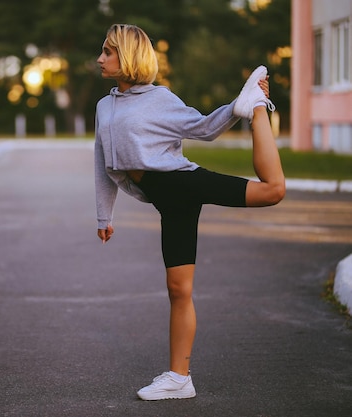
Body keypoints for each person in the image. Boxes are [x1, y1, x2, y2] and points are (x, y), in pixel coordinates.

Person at [94, 24, 285, 401]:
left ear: (129, 56)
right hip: (167, 201)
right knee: (178, 289)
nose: (100, 58)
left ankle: (258, 109)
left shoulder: (160, 99)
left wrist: (239, 109)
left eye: (108, 52)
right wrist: (104, 215)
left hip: (183, 183)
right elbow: (101, 161)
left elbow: (202, 128)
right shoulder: (105, 105)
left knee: (273, 191)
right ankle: (180, 378)